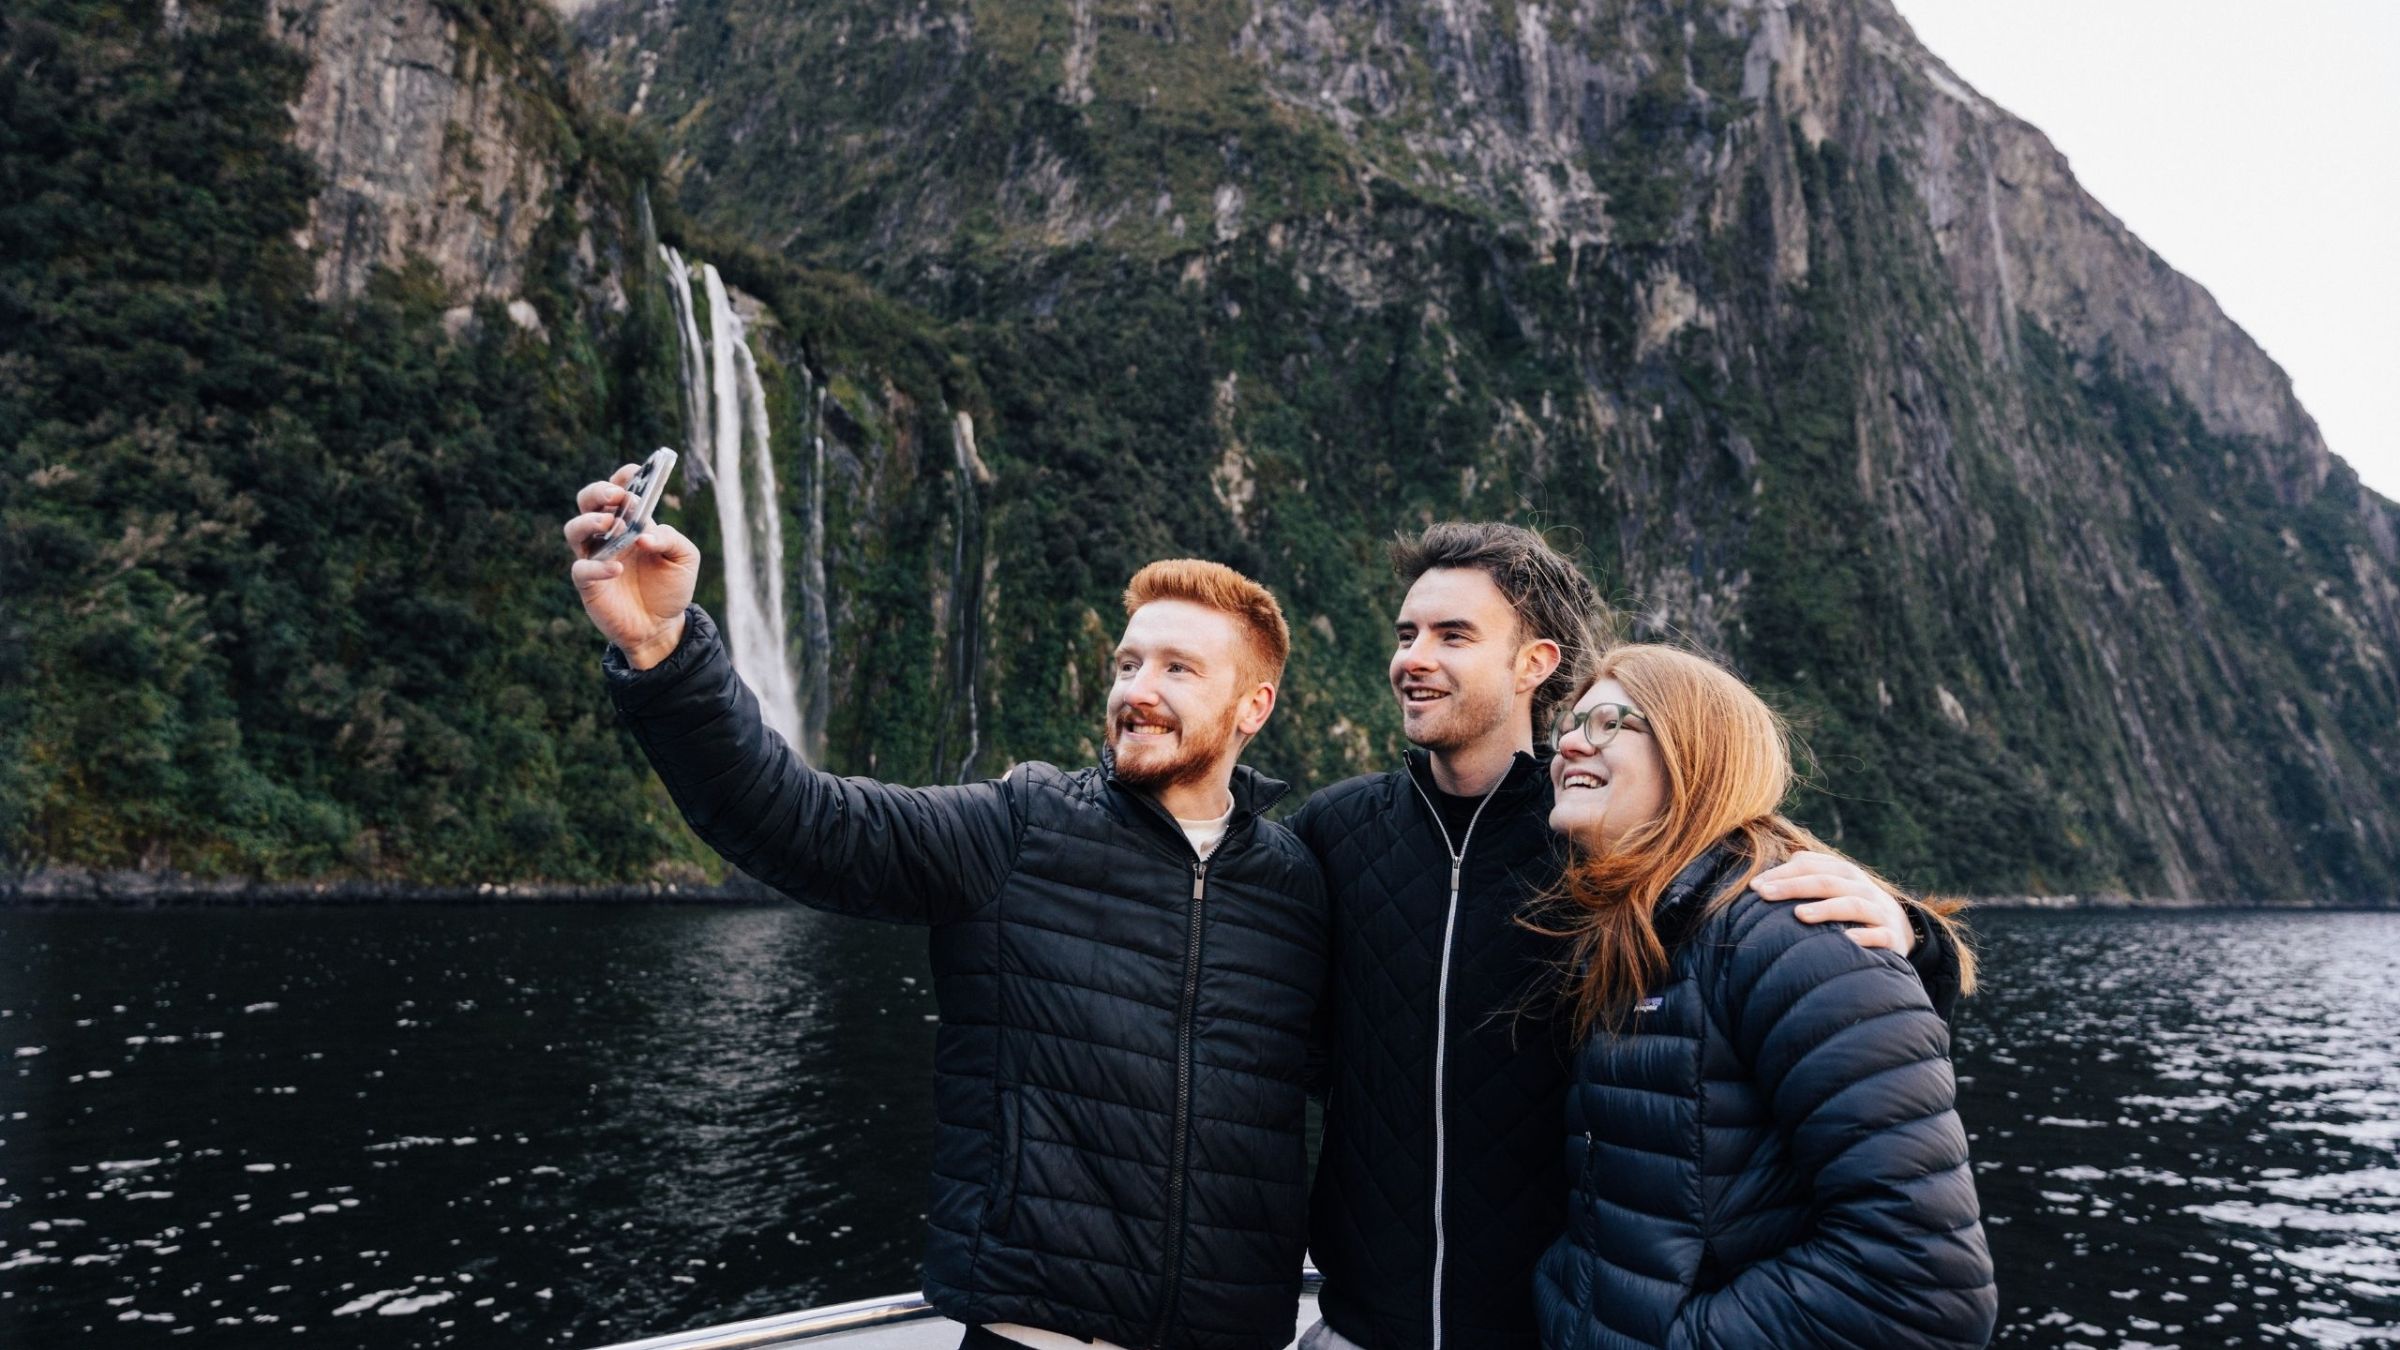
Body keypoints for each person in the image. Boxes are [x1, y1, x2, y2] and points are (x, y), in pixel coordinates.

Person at [564, 467, 1326, 1350]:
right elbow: (794, 820)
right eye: (1126, 663)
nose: (1134, 690)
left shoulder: (1296, 888)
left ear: (1252, 708)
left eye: (1177, 669)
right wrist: (662, 648)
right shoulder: (1020, 827)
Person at [1287, 523, 1961, 1350]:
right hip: (1362, 1323)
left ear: (1535, 663)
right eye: (1406, 634)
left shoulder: (1600, 844)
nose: (1413, 657)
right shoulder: (1332, 831)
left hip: (1545, 1330)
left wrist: (1912, 939)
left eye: (1452, 634)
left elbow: (1749, 893)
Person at [1532, 647, 1996, 1348]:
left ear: (1697, 753)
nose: (1569, 741)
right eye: (1568, 724)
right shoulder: (1643, 937)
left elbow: (1923, 1285)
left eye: (1607, 722)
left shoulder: (1796, 930)